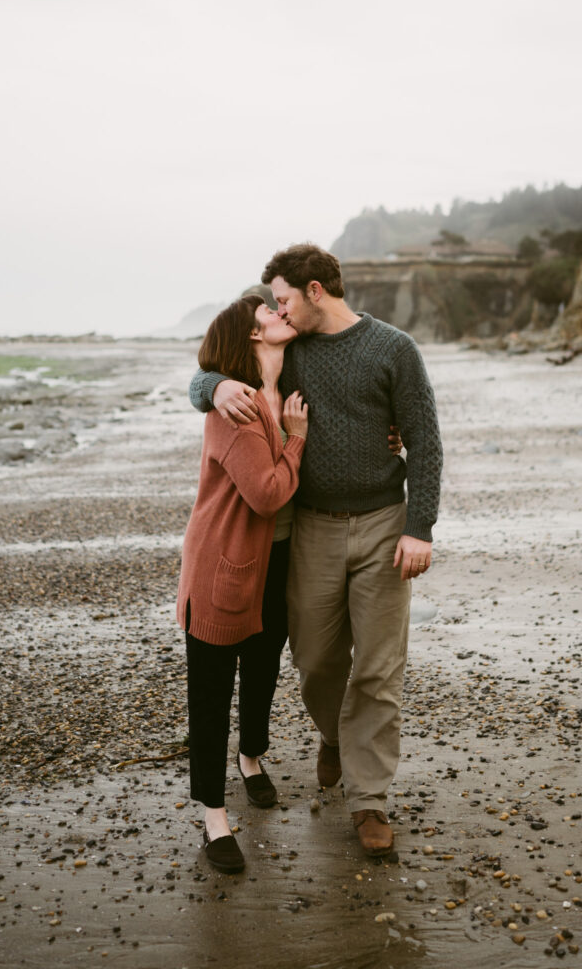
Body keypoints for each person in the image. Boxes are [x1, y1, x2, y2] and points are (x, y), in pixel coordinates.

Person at [189, 243, 443, 859]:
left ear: (314, 292)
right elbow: (210, 369)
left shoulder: (393, 349)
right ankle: (335, 734)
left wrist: (420, 527)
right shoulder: (288, 349)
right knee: (315, 659)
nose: (276, 308)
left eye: (281, 298)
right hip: (311, 529)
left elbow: (425, 440)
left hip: (384, 523)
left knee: (379, 669)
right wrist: (213, 384)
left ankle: (370, 803)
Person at [176, 294, 308, 874]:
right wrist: (297, 438)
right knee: (210, 696)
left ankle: (251, 757)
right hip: (223, 565)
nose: (281, 314)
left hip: (278, 561)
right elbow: (267, 493)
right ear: (252, 337)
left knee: (262, 670)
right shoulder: (236, 405)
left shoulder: (294, 376)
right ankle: (213, 818)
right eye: (269, 314)